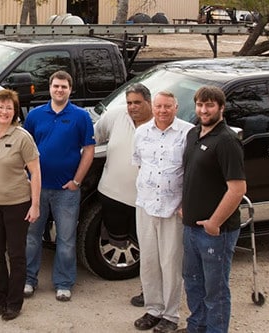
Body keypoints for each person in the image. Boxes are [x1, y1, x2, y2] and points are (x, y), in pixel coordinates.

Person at [22, 70, 95, 302]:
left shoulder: (81, 116)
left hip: (66, 191)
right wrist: (27, 177)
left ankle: (63, 282)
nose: (59, 90)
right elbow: (25, 147)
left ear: (70, 90)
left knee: (66, 238)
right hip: (37, 188)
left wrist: (76, 181)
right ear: (50, 88)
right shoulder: (35, 115)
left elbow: (89, 150)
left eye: (64, 87)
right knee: (32, 236)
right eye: (56, 86)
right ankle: (28, 279)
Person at [181, 86, 247, 333]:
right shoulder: (193, 133)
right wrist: (183, 207)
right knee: (193, 284)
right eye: (200, 104)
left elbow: (237, 189)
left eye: (209, 105)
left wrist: (214, 222)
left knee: (216, 290)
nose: (203, 110)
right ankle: (196, 326)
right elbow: (190, 175)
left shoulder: (227, 141)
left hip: (215, 233)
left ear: (221, 107)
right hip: (190, 227)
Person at [130, 91, 194, 333]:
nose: (163, 110)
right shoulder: (141, 132)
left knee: (170, 264)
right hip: (146, 205)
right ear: (152, 107)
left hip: (172, 209)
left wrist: (185, 204)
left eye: (168, 106)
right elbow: (139, 163)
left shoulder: (188, 133)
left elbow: (191, 171)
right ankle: (153, 309)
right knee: (148, 262)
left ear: (176, 107)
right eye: (159, 106)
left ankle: (171, 314)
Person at [0, 89, 41, 321]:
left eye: (9, 108)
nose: (4, 111)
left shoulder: (22, 137)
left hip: (17, 204)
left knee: (16, 255)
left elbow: (35, 172)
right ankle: (1, 297)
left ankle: (14, 303)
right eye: (0, 107)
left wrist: (35, 205)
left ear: (15, 112)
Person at [93, 83, 155, 307]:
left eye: (137, 102)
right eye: (129, 102)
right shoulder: (116, 115)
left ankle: (149, 293)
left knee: (149, 251)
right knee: (122, 239)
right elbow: (96, 137)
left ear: (149, 102)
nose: (132, 107)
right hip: (112, 195)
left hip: (147, 203)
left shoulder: (160, 123)